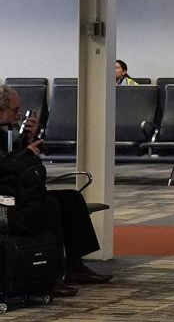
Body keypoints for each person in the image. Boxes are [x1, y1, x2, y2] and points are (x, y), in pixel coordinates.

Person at [0, 85, 111, 296]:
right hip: (6, 198)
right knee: (49, 206)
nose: (18, 115)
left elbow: (14, 160)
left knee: (71, 199)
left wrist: (28, 141)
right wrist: (26, 153)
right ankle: (54, 273)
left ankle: (74, 265)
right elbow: (7, 165)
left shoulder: (7, 132)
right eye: (15, 110)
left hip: (17, 192)